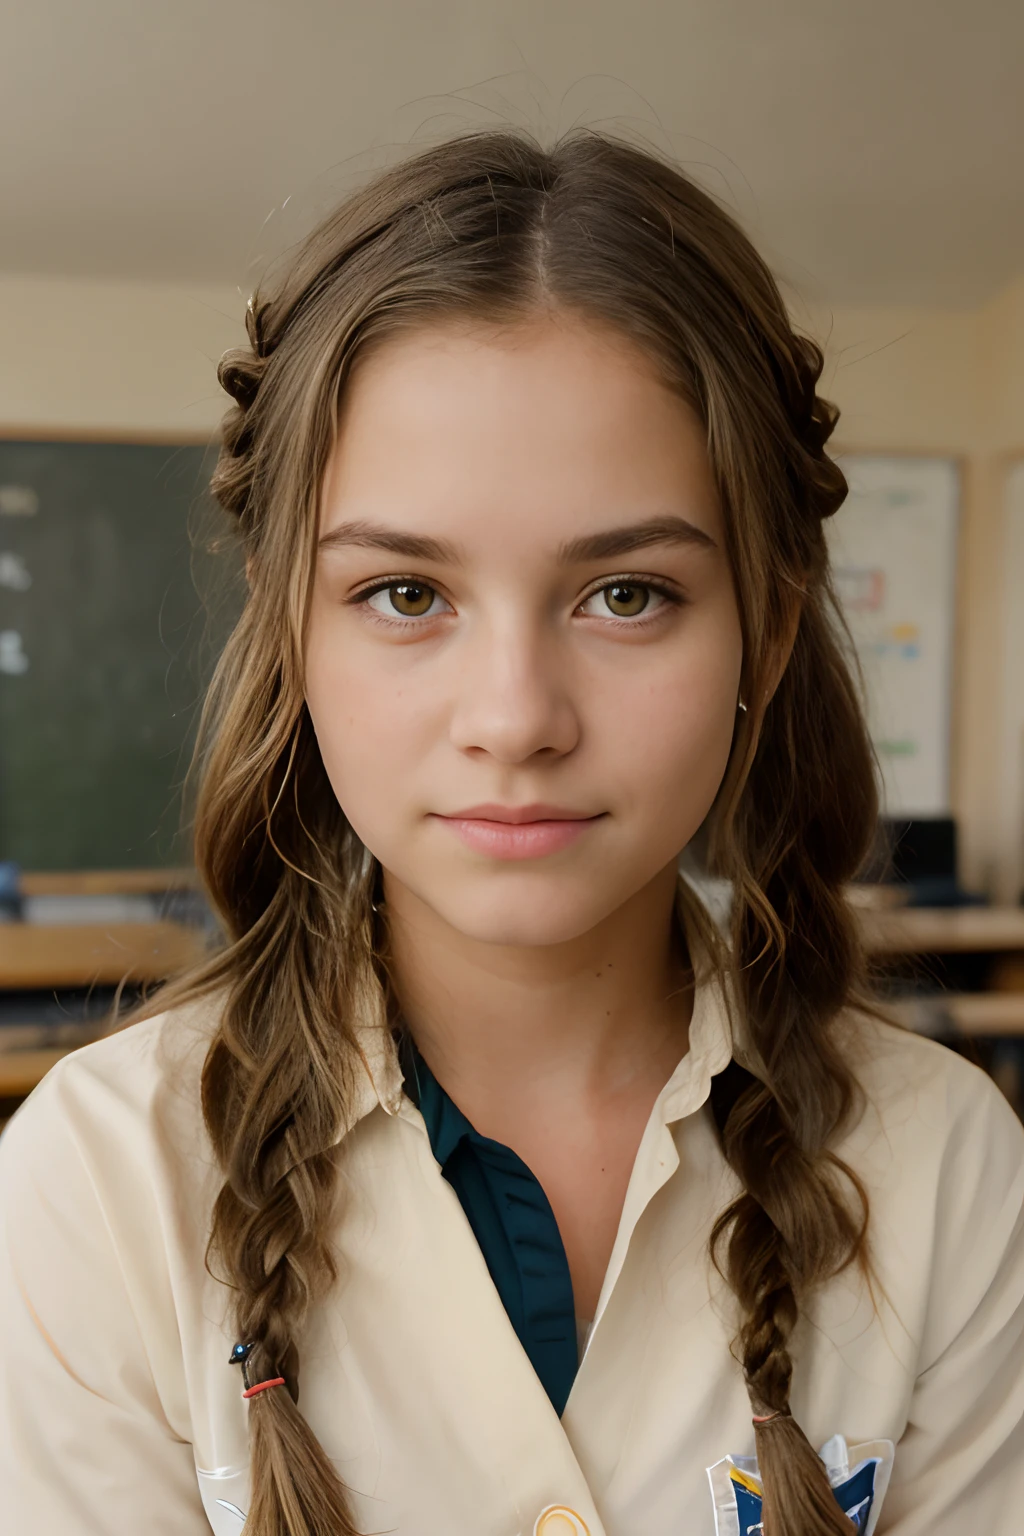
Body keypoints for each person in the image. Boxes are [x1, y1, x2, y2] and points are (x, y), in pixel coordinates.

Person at [0, 128, 1021, 1536]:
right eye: (407, 595)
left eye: (627, 595)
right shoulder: (97, 1184)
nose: (517, 718)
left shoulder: (950, 1167)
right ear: (293, 629)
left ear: (767, 633)